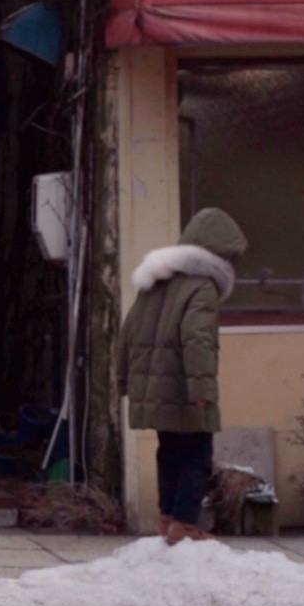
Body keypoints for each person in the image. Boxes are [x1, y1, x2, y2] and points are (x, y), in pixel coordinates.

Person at [120, 206, 247, 541]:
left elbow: (128, 331)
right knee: (196, 455)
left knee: (169, 452)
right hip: (185, 388)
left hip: (156, 387)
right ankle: (185, 524)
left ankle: (167, 519)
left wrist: (123, 380)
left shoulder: (156, 280)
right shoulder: (201, 286)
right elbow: (197, 339)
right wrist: (201, 390)